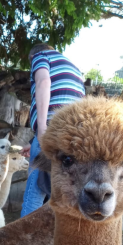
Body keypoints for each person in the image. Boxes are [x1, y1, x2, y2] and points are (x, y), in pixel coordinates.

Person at [20, 43, 85, 217]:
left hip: (51, 134)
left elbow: (43, 82)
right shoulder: (75, 70)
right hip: (73, 139)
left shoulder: (41, 57)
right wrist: (33, 142)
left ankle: (26, 243)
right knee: (62, 196)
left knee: (34, 194)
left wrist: (42, 129)